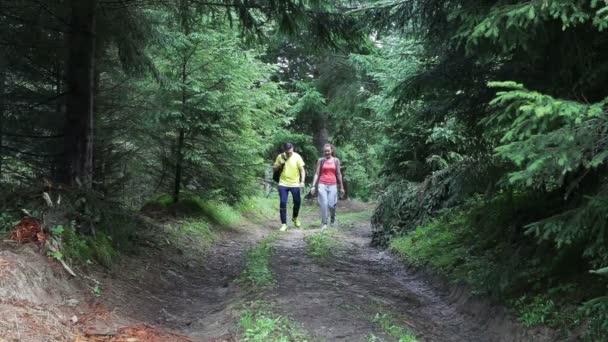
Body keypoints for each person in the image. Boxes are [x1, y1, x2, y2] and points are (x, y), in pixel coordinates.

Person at [272, 143, 306, 231]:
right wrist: (280, 164)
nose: (289, 154)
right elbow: (274, 169)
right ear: (285, 150)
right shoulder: (280, 156)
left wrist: (302, 181)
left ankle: (295, 217)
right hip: (283, 183)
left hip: (295, 183)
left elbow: (302, 170)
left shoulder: (297, 157)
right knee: (283, 202)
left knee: (297, 202)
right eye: (287, 152)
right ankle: (284, 224)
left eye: (290, 152)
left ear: (292, 149)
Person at [310, 143, 344, 229]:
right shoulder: (321, 160)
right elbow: (317, 174)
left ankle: (332, 219)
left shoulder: (336, 160)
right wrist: (313, 186)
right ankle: (324, 223)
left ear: (331, 151)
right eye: (325, 151)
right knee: (324, 203)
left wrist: (342, 187)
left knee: (331, 205)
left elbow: (339, 174)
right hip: (322, 184)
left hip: (333, 184)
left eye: (328, 151)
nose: (327, 152)